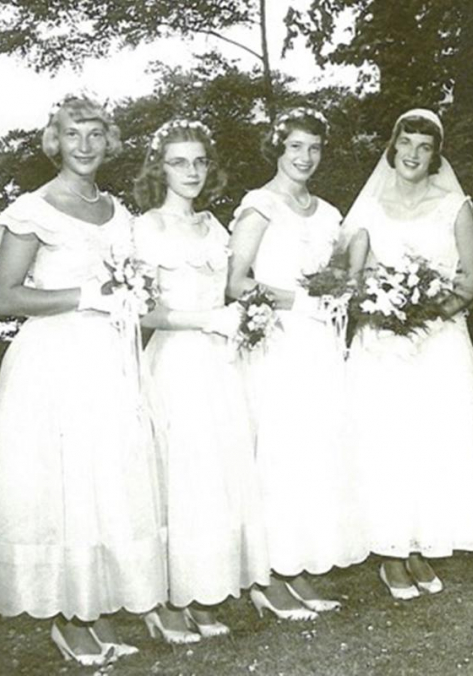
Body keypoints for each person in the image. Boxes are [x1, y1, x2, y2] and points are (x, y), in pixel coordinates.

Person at [0, 93, 166, 665]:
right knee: (67, 485)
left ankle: (90, 612)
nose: (86, 145)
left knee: (108, 483)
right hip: (57, 362)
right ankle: (69, 623)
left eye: (96, 133)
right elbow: (3, 295)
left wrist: (130, 294)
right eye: (74, 135)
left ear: (109, 140)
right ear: (56, 143)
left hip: (110, 358)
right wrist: (83, 296)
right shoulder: (33, 209)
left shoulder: (118, 211)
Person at [345, 108, 473, 599]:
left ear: (436, 155)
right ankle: (390, 552)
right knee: (388, 443)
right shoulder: (369, 208)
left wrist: (426, 316)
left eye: (424, 147)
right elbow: (353, 278)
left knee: (431, 441)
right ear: (393, 147)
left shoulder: (453, 206)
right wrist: (386, 313)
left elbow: (472, 278)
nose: (412, 154)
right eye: (405, 143)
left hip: (437, 342)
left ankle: (420, 546)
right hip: (383, 346)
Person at [227, 107, 367, 621]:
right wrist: (296, 303)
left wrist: (335, 299)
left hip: (320, 347)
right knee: (280, 455)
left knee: (314, 455)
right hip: (279, 343)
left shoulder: (329, 214)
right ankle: (269, 578)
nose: (305, 158)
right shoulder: (260, 207)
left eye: (314, 148)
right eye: (295, 148)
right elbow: (236, 281)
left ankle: (297, 566)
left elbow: (338, 274)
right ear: (278, 149)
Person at [134, 119, 269, 642]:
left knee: (218, 476)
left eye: (198, 161)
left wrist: (245, 318)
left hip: (220, 361)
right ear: (159, 169)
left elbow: (232, 290)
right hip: (177, 359)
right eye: (178, 162)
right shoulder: (146, 227)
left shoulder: (215, 228)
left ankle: (205, 590)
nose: (190, 171)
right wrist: (204, 321)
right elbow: (142, 310)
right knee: (181, 476)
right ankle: (170, 599)